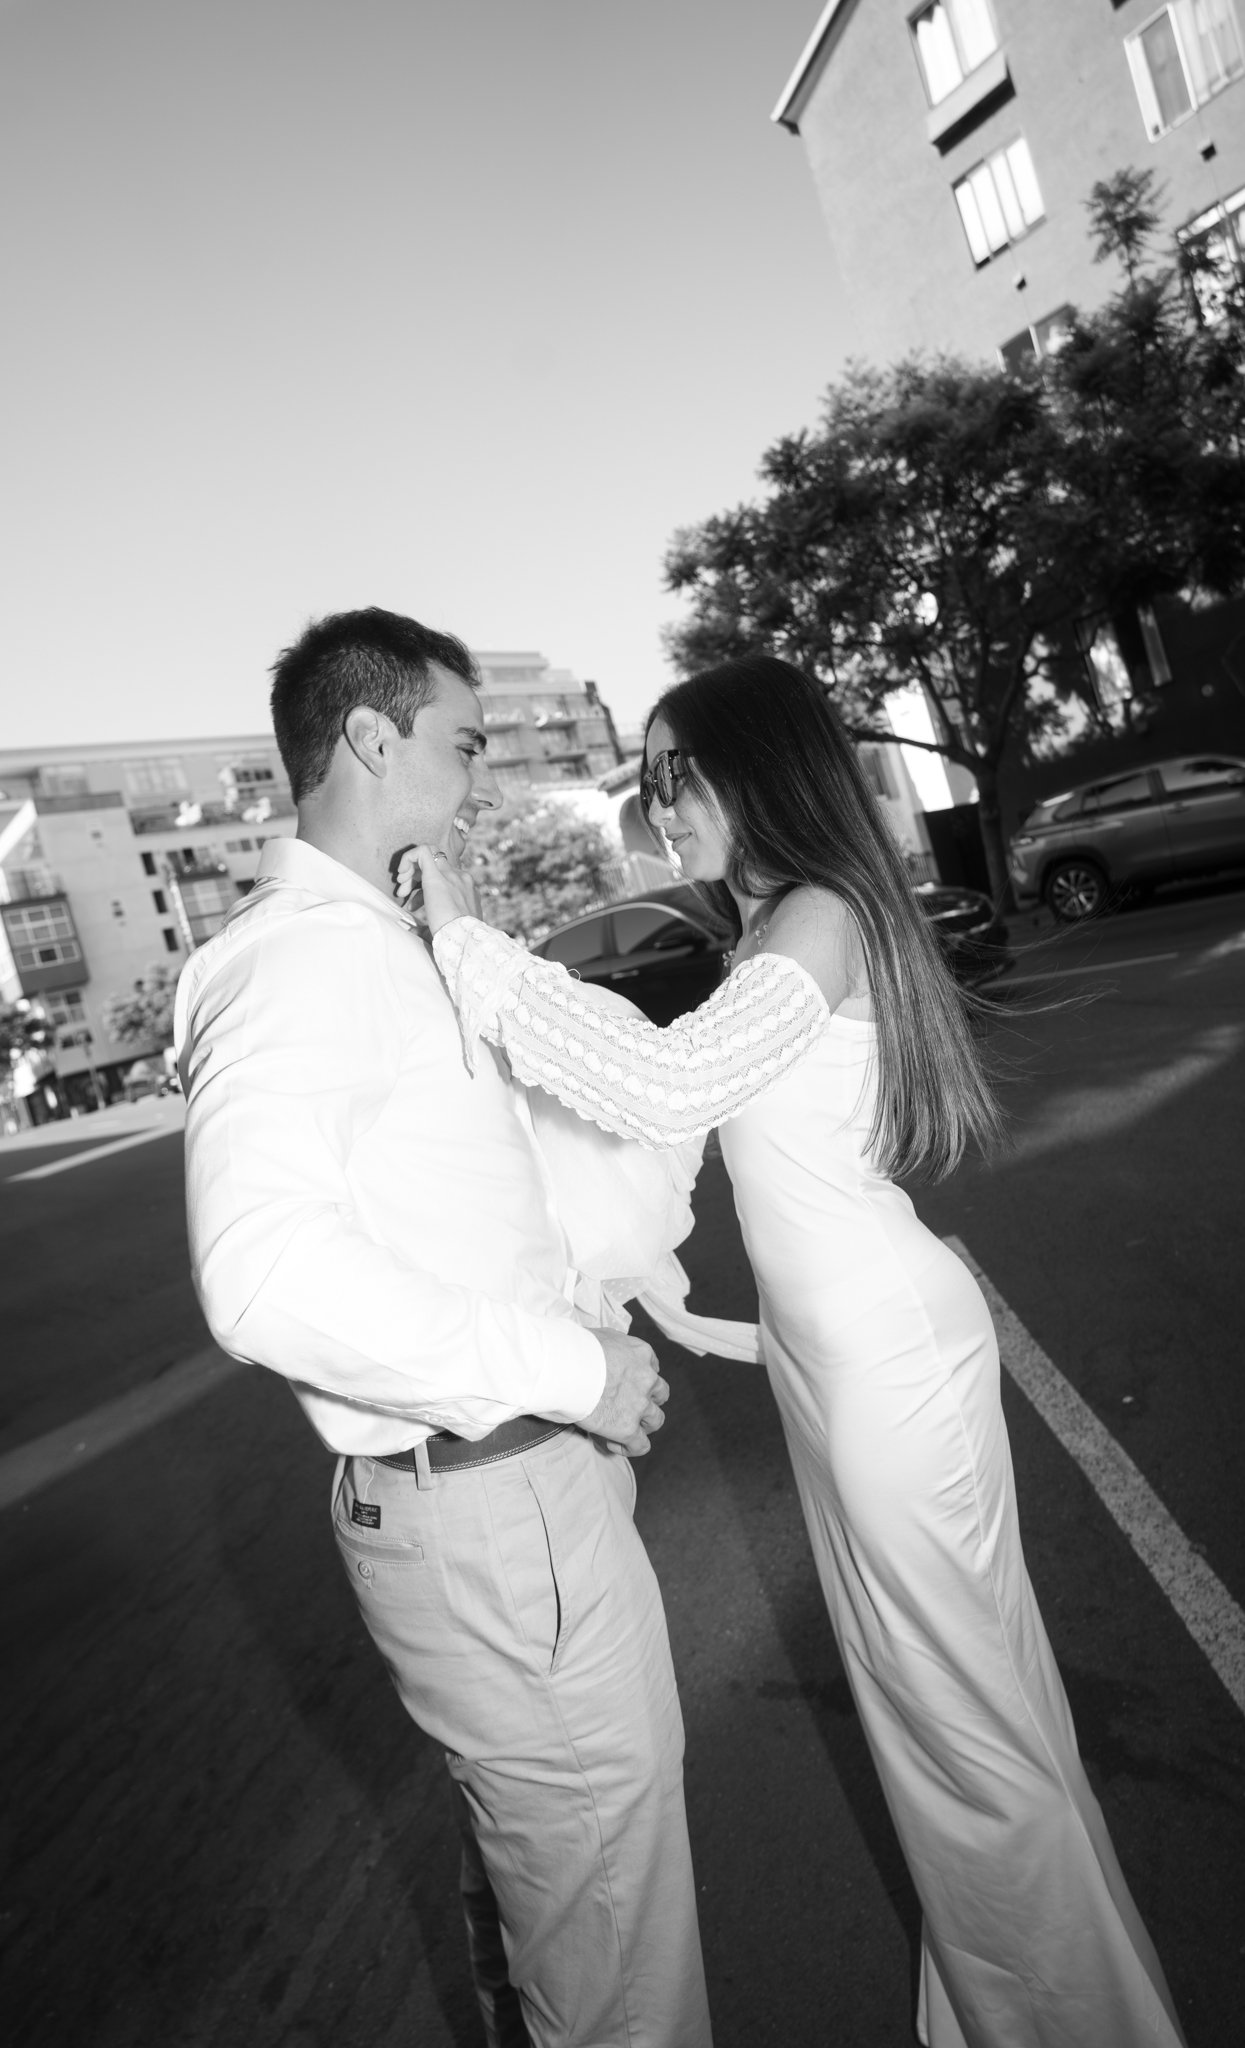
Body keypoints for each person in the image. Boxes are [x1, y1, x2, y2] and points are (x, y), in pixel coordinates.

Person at [405, 653, 1187, 2048]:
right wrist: (618, 1280)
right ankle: (1010, 2004)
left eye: (675, 776)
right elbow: (673, 1135)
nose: (657, 808)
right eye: (648, 782)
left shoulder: (821, 912)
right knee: (928, 1713)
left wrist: (470, 939)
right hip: (832, 1365)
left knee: (965, 1723)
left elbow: (669, 1083)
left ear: (755, 767)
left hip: (890, 1362)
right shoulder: (773, 929)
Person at [174, 607, 713, 2048]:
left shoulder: (388, 941)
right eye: (464, 745)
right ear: (370, 737)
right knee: (616, 1953)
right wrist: (571, 1369)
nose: (481, 777)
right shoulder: (299, 962)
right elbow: (262, 1271)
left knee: (562, 1906)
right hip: (491, 1504)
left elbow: (469, 1200)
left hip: (511, 1496)